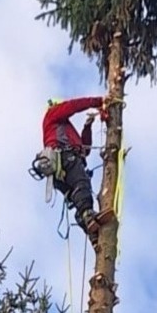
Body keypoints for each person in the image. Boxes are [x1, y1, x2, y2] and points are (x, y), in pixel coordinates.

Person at [40, 94, 104, 242]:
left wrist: (87, 127)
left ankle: (92, 232)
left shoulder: (63, 129)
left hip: (62, 168)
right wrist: (97, 102)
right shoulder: (53, 114)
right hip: (64, 158)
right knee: (82, 185)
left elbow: (84, 150)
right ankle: (88, 216)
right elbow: (73, 106)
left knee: (78, 194)